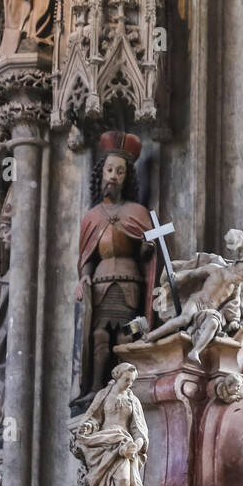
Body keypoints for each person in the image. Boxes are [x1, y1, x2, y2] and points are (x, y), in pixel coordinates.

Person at [74, 131, 156, 409]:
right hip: (100, 282)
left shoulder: (137, 213)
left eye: (120, 171)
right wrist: (84, 274)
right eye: (109, 169)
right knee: (99, 335)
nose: (113, 176)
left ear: (127, 177)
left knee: (126, 333)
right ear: (101, 174)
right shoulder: (92, 217)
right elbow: (86, 254)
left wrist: (146, 249)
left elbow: (149, 247)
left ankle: (124, 386)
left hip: (129, 280)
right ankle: (95, 387)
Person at [72, 362, 148, 486]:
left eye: (132, 381)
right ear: (118, 376)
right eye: (127, 379)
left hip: (124, 446)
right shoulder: (104, 395)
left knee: (124, 483)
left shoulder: (133, 401)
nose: (129, 383)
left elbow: (139, 430)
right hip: (104, 444)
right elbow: (94, 419)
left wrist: (137, 445)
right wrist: (88, 427)